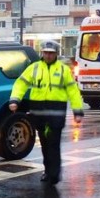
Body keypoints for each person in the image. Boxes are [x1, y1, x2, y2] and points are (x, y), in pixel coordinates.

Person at [8, 40, 84, 186]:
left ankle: (54, 173)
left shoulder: (63, 70)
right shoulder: (34, 68)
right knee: (44, 143)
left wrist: (77, 110)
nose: (48, 56)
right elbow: (21, 83)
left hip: (56, 113)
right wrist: (15, 100)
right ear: (42, 53)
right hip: (39, 113)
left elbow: (73, 91)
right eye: (46, 53)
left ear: (56, 54)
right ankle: (48, 171)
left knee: (54, 143)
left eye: (51, 53)